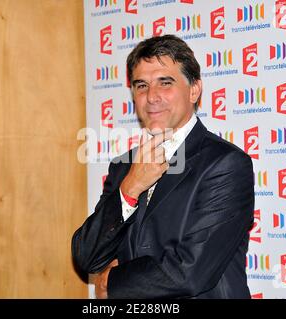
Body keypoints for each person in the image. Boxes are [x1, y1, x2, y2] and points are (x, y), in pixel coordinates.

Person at [72, 35, 254, 299]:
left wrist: (113, 282)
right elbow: (86, 255)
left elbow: (191, 272)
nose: (152, 97)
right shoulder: (123, 167)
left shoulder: (225, 164)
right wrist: (130, 187)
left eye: (165, 83)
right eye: (141, 85)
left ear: (194, 90)